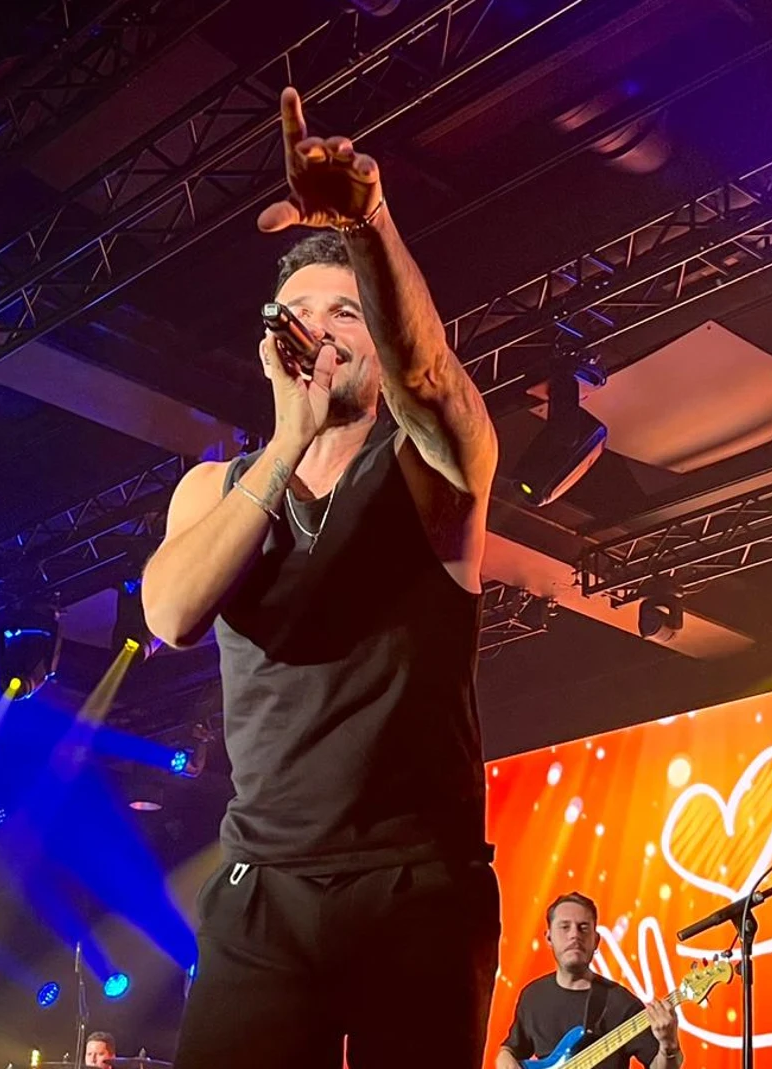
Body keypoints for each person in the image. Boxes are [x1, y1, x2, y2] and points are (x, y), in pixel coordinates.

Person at [143, 85, 501, 1068]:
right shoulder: (214, 487)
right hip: (263, 891)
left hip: (414, 888)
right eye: (299, 311)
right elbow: (171, 612)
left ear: (376, 339)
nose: (320, 327)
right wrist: (287, 439)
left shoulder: (433, 472)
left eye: (345, 309)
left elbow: (429, 377)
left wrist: (368, 223)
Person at [498, 894, 681, 1069]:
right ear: (548, 938)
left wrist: (669, 1046)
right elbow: (512, 1048)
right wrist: (504, 1055)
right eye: (564, 927)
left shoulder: (621, 1003)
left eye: (583, 927)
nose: (574, 935)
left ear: (596, 940)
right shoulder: (533, 996)